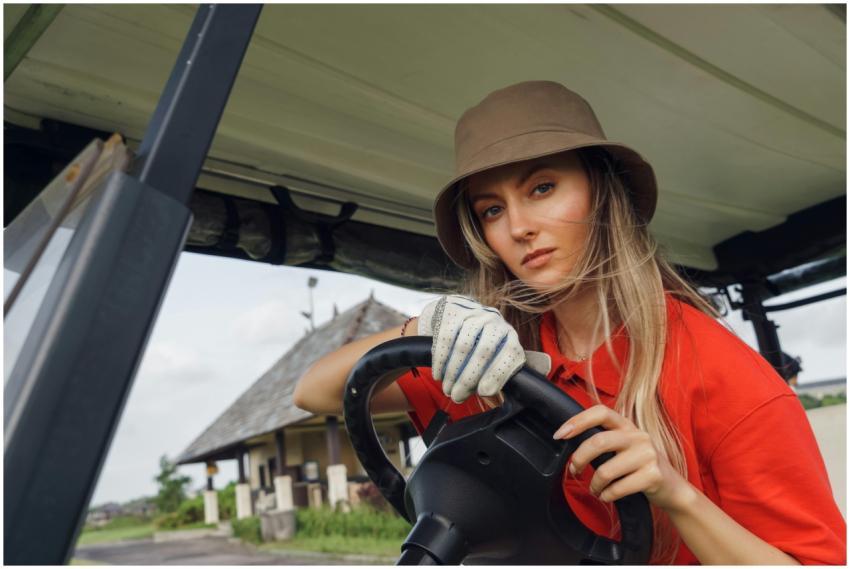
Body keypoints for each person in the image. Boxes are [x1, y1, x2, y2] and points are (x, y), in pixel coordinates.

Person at [293, 81, 845, 564]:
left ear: (603, 191)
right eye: (492, 209)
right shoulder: (487, 357)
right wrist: (428, 328)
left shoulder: (724, 377)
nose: (519, 227)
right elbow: (314, 391)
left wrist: (677, 496)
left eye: (541, 188)